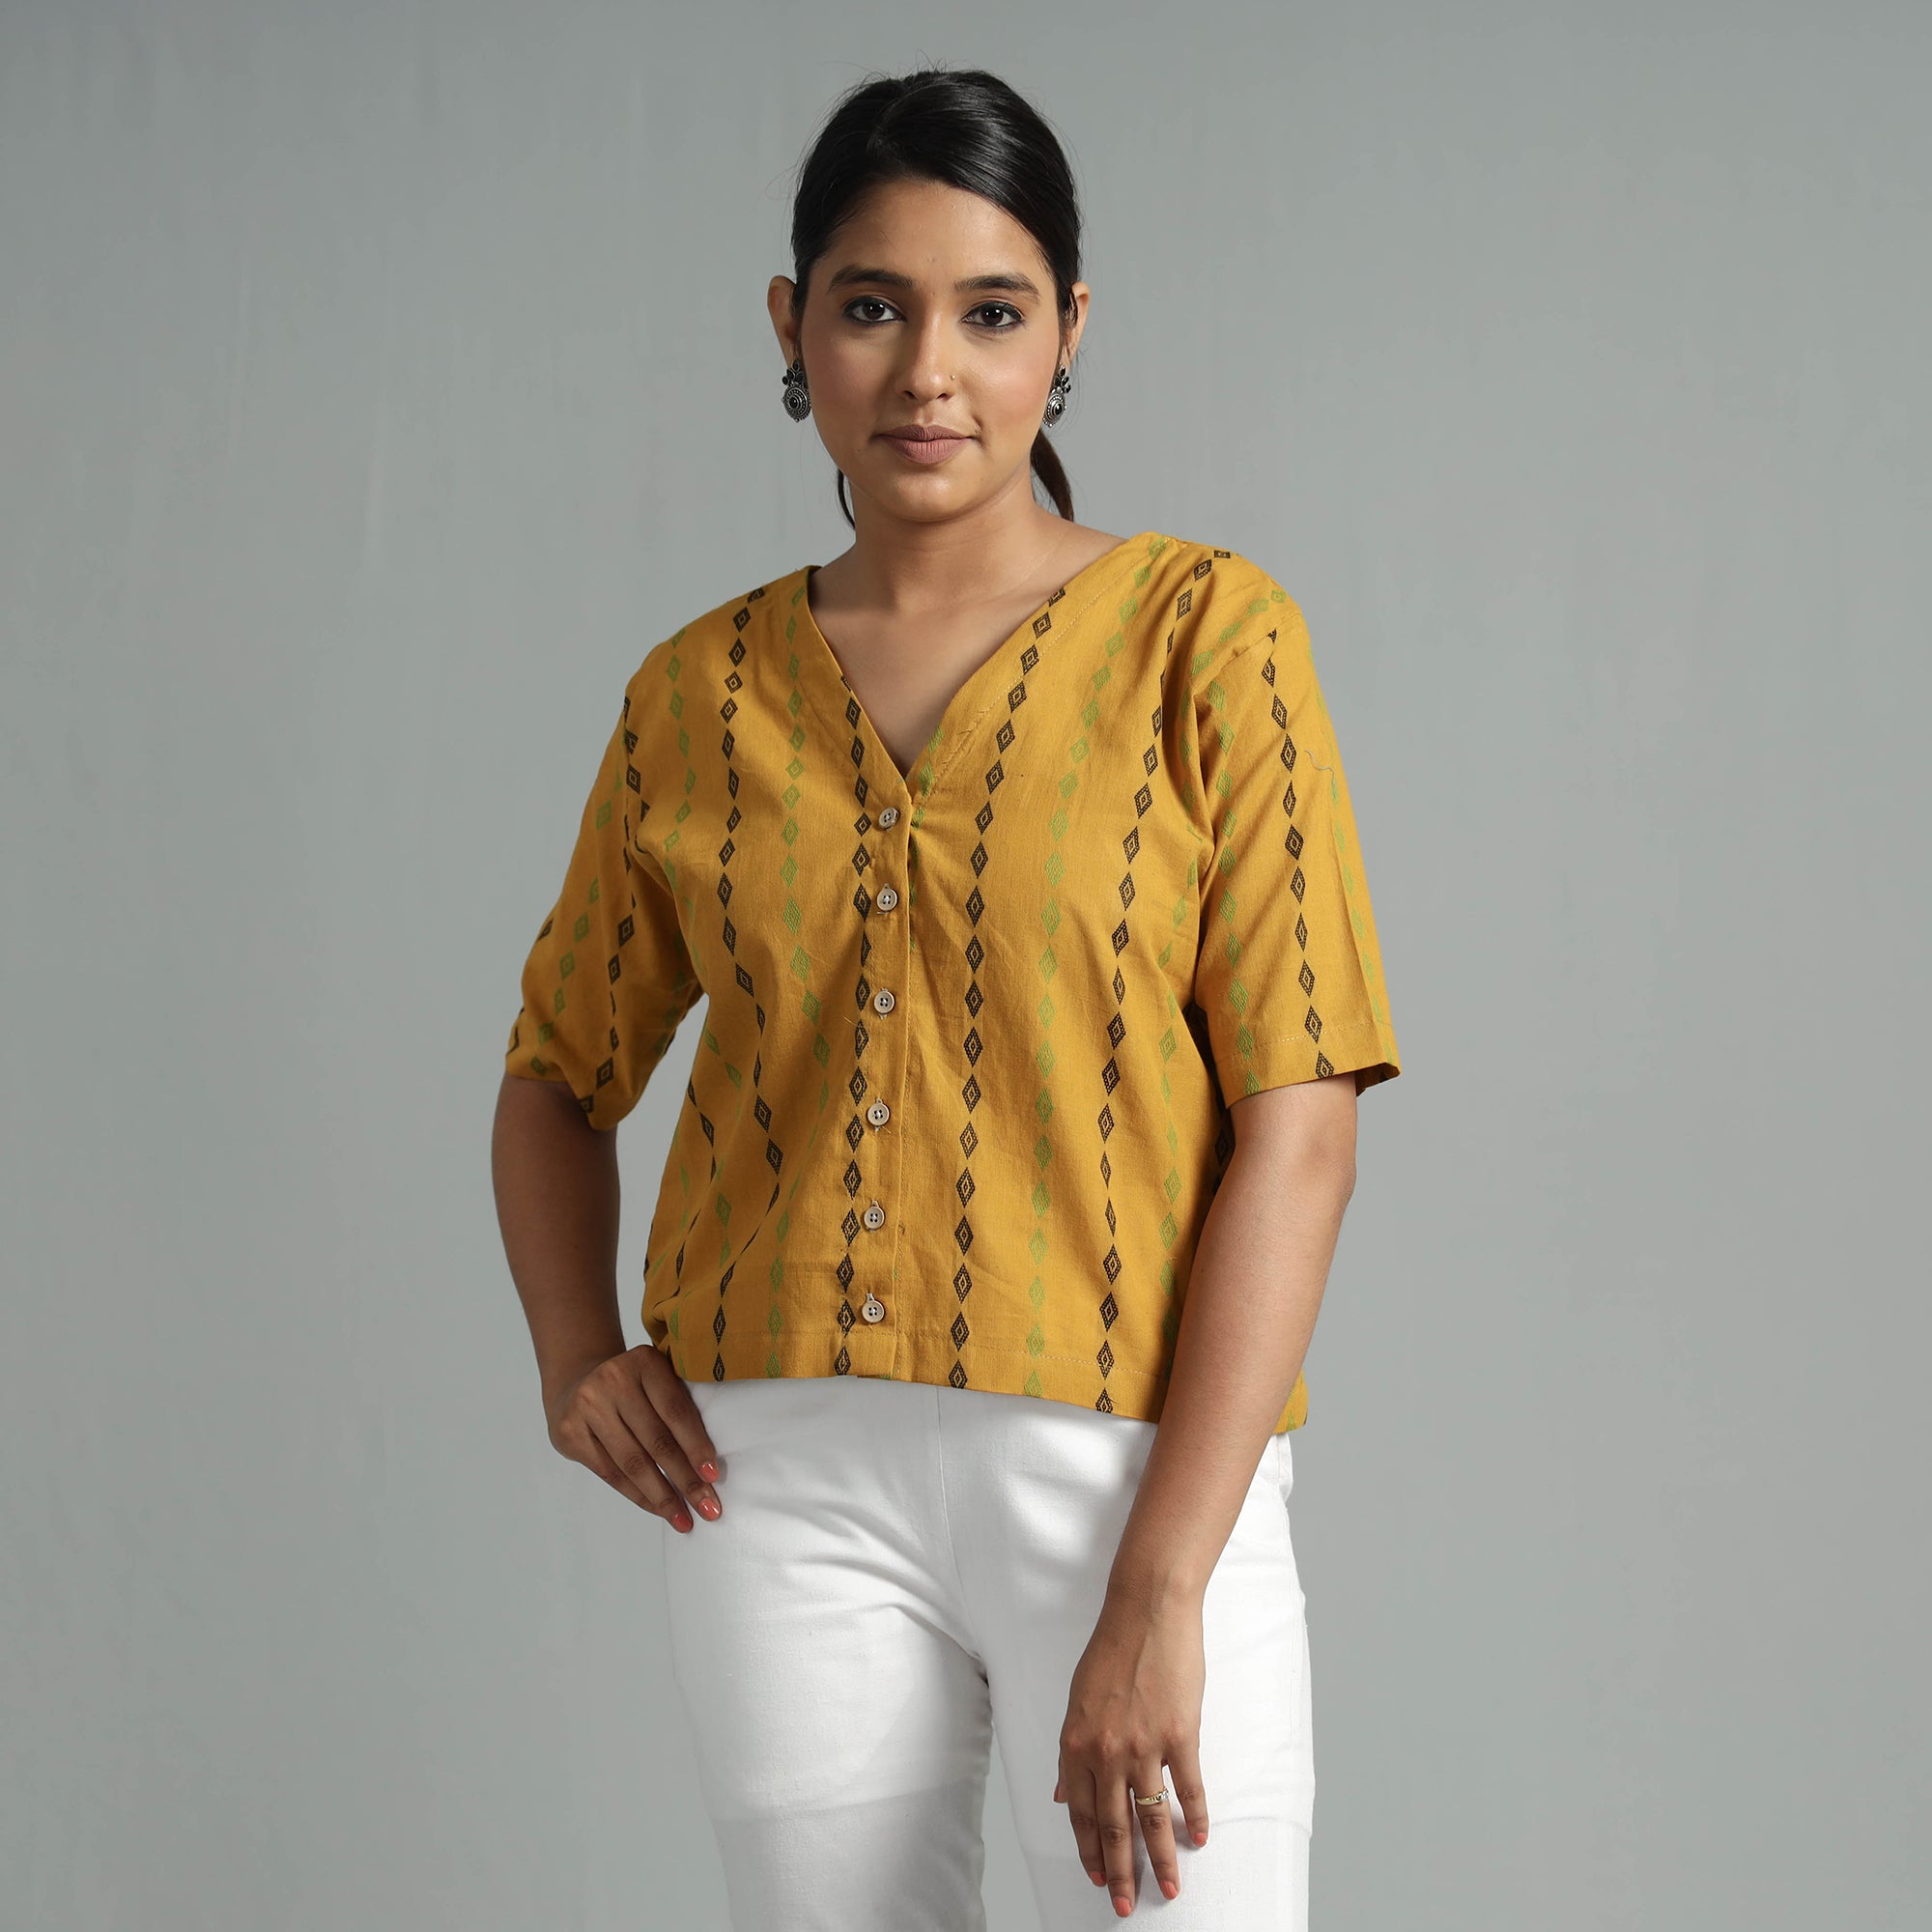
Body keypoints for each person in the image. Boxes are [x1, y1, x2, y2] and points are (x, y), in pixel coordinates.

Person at [491, 63, 1402, 1932]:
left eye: (991, 313)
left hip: (1134, 1468)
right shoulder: (699, 692)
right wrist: (576, 1354)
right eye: (872, 306)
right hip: (779, 1489)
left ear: (1070, 330)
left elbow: (1302, 1129)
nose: (929, 373)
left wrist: (1161, 1585)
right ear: (791, 325)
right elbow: (556, 1075)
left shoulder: (1207, 638)